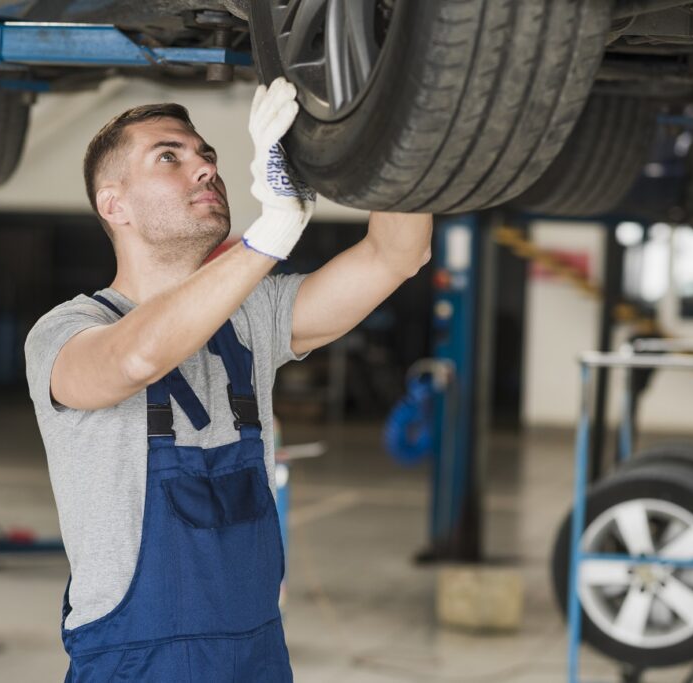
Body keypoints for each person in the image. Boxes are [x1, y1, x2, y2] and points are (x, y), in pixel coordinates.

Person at [24, 77, 432, 682]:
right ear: (115, 205)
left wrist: (406, 108)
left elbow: (398, 254)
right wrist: (269, 235)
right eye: (170, 156)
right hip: (138, 663)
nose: (204, 168)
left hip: (257, 656)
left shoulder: (253, 314)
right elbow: (132, 361)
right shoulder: (66, 331)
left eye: (206, 154)